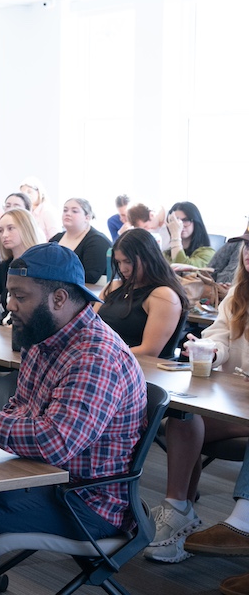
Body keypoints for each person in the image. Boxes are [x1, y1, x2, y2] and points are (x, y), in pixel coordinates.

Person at [0, 243, 148, 595]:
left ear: (59, 299)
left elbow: (54, 442)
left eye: (19, 295)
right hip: (39, 476)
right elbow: (22, 409)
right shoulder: (42, 335)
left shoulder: (96, 356)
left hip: (83, 501)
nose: (9, 304)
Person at [145, 239, 249, 584]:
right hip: (234, 400)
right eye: (246, 245)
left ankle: (227, 521)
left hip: (242, 405)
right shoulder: (237, 294)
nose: (247, 253)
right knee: (184, 415)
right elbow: (219, 337)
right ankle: (178, 509)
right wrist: (209, 351)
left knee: (188, 418)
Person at [99, 228, 187, 358]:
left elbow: (149, 351)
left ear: (148, 258)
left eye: (128, 262)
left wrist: (101, 353)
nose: (122, 269)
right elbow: (89, 326)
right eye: (119, 262)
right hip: (104, 359)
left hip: (136, 368)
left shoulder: (163, 296)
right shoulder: (114, 286)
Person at [0, 208, 42, 325]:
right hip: (4, 331)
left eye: (10, 228)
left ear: (26, 229)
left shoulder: (41, 266)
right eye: (0, 231)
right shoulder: (4, 267)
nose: (4, 235)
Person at [49, 197, 112, 285]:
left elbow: (90, 276)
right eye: (65, 210)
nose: (68, 214)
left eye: (74, 211)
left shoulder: (98, 242)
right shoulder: (56, 239)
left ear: (87, 217)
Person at [164, 200, 215, 268]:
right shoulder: (166, 254)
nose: (180, 225)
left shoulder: (208, 253)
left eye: (186, 220)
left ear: (196, 222)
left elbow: (183, 271)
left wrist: (176, 236)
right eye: (175, 220)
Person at [20, 175, 58, 240]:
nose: (26, 195)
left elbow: (55, 237)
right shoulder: (27, 212)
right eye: (23, 193)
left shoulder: (47, 211)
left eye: (29, 192)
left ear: (39, 192)